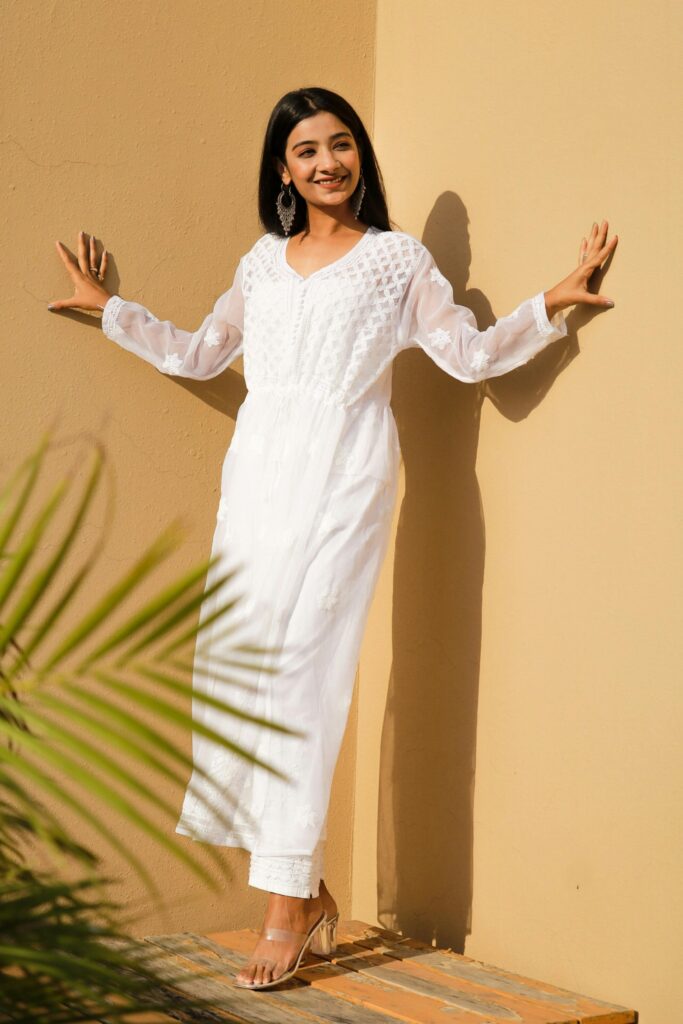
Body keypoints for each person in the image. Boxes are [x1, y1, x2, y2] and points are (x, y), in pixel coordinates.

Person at [47, 86, 618, 990]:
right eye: (306, 149)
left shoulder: (397, 262)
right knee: (241, 671)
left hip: (345, 481)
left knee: (305, 673)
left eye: (341, 144)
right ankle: (306, 894)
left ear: (360, 157)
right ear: (283, 169)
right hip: (258, 483)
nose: (327, 162)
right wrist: (110, 308)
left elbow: (466, 355)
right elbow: (202, 352)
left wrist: (552, 303)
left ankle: (280, 909)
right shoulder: (261, 264)